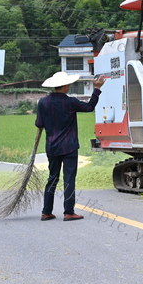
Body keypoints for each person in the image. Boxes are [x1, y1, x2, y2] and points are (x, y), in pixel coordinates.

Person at [36, 71, 106, 221]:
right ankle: (68, 212)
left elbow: (39, 124)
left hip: (52, 147)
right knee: (69, 179)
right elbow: (89, 107)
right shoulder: (70, 102)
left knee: (52, 178)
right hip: (69, 147)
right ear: (65, 86)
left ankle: (46, 212)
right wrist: (97, 89)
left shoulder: (43, 102)